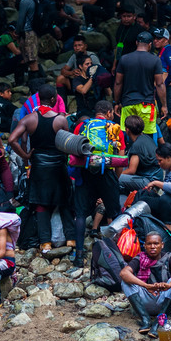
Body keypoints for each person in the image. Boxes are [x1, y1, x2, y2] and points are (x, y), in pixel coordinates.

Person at [7, 84, 72, 254]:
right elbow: (68, 145)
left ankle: (45, 243)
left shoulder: (29, 119)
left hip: (39, 167)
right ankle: (71, 238)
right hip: (58, 166)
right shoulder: (61, 120)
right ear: (53, 99)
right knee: (63, 200)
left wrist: (26, 155)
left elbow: (12, 139)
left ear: (38, 99)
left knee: (41, 204)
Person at [72, 101, 126, 244]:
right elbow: (120, 159)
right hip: (107, 172)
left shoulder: (82, 126)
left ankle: (78, 254)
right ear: (108, 113)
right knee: (114, 213)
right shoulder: (115, 129)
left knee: (81, 213)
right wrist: (115, 178)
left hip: (85, 172)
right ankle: (116, 249)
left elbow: (74, 150)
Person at [120, 232, 171, 334]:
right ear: (145, 245)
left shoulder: (170, 257)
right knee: (125, 281)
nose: (153, 247)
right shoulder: (139, 258)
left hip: (164, 300)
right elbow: (124, 273)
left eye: (156, 243)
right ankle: (145, 319)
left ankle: (158, 322)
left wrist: (168, 285)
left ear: (162, 245)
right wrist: (146, 286)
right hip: (145, 301)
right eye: (149, 244)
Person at [114, 30, 166, 135]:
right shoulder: (155, 60)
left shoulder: (124, 59)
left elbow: (118, 83)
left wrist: (117, 102)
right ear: (150, 44)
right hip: (146, 105)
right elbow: (160, 84)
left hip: (128, 104)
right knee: (147, 137)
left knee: (128, 137)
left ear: (136, 43)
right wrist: (164, 105)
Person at [119, 115, 163, 193]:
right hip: (157, 178)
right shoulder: (146, 137)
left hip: (150, 182)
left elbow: (132, 170)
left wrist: (116, 174)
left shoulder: (137, 145)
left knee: (117, 178)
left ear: (127, 130)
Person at [15, 0, 41, 82]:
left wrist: (17, 32)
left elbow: (20, 20)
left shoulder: (25, 1)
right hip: (34, 32)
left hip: (28, 33)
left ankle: (36, 85)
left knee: (32, 61)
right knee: (29, 59)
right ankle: (32, 82)